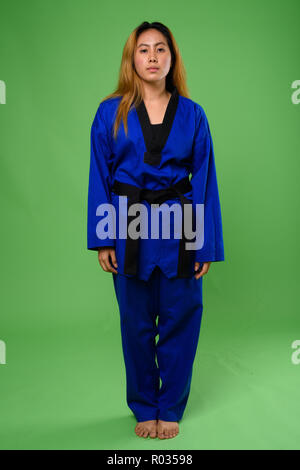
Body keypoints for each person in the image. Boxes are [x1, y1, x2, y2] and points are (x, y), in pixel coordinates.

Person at [87, 21, 225, 440]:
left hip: (180, 221)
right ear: (132, 60)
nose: (152, 56)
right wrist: (102, 238)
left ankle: (172, 406)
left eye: (160, 49)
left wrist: (204, 244)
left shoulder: (193, 114)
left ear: (172, 58)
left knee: (182, 317)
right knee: (136, 322)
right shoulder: (111, 112)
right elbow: (100, 176)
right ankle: (146, 406)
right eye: (143, 49)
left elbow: (204, 180)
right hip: (128, 221)